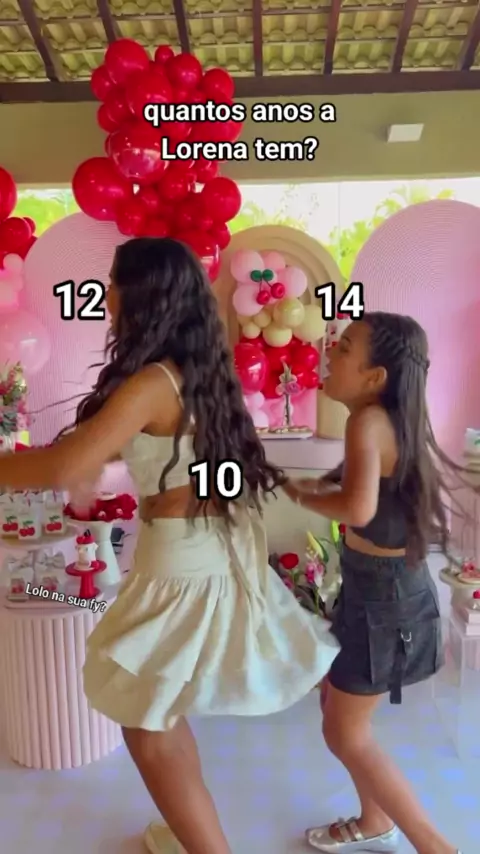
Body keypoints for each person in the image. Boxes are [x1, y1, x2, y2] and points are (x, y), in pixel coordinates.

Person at [0, 237, 339, 854]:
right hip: (200, 551)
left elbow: (63, 466)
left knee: (146, 721)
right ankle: (191, 835)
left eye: (113, 284)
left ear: (143, 296)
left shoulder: (153, 381)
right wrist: (183, 491)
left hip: (181, 561)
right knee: (157, 711)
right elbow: (225, 470)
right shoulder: (200, 373)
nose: (106, 296)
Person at [282, 312, 463, 854]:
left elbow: (357, 510)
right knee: (335, 709)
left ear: (374, 376)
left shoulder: (367, 423)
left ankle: (435, 847)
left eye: (344, 349)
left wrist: (299, 494)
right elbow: (366, 496)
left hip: (384, 598)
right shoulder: (388, 420)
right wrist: (306, 485)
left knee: (344, 732)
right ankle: (374, 820)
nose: (328, 354)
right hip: (383, 590)